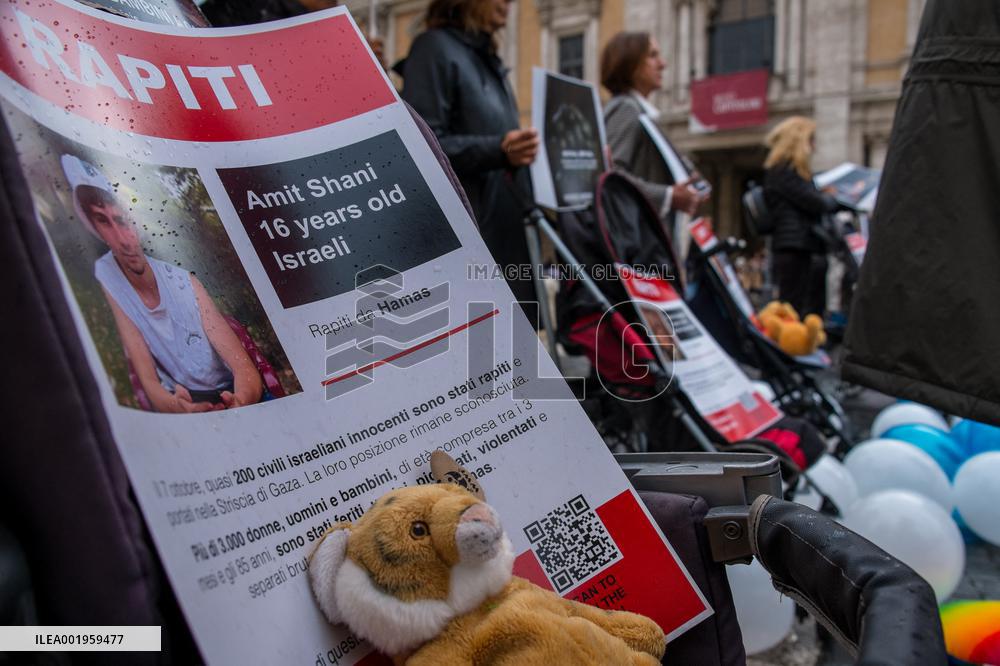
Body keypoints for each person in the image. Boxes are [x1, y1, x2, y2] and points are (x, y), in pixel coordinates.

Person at [61, 155, 263, 414]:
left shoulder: (185, 282)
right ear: (92, 226)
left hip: (229, 390)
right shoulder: (105, 272)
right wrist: (179, 408)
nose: (122, 240)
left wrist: (239, 402)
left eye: (121, 220)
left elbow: (243, 367)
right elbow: (148, 380)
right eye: (103, 220)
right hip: (182, 399)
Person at [400, 0, 539, 309]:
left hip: (506, 240)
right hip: (473, 241)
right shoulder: (433, 49)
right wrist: (500, 149)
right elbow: (422, 146)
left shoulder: (487, 59)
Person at [600, 31, 706, 255]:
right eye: (653, 55)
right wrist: (669, 196)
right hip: (639, 252)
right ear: (630, 63)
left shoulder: (638, 111)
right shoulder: (625, 109)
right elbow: (611, 176)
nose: (663, 64)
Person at [762, 116, 839, 318]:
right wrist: (829, 197)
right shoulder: (784, 171)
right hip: (795, 248)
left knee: (801, 306)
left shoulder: (786, 173)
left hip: (800, 247)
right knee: (794, 309)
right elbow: (817, 204)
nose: (814, 147)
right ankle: (795, 347)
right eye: (811, 140)